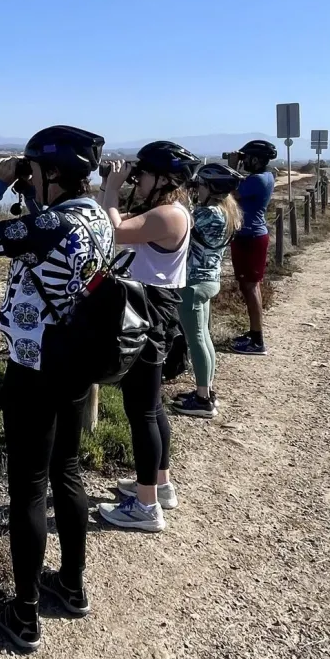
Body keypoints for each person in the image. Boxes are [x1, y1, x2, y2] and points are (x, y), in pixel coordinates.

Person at [0, 125, 113, 652]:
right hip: (75, 364)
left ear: (49, 172)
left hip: (34, 368)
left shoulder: (47, 225)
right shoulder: (96, 216)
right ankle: (71, 585)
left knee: (26, 488)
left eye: (32, 168)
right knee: (66, 473)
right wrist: (30, 188)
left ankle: (23, 615)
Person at [97, 141, 199, 532]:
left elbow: (115, 232)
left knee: (141, 412)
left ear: (165, 180)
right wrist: (114, 190)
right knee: (152, 407)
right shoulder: (166, 212)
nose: (136, 182)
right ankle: (160, 485)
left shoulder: (170, 215)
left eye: (142, 177)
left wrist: (110, 188)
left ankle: (145, 507)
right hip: (151, 315)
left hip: (148, 319)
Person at [172, 163, 243, 418]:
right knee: (204, 338)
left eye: (200, 185)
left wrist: (181, 197)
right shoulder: (228, 212)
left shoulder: (207, 214)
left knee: (197, 340)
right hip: (210, 280)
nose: (196, 189)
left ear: (211, 187)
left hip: (193, 284)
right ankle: (207, 390)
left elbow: (180, 223)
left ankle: (202, 399)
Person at [228, 139, 277, 356]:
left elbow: (230, 191)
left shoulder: (258, 179)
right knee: (247, 286)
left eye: (246, 157)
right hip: (247, 236)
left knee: (251, 287)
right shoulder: (262, 177)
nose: (244, 161)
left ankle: (257, 341)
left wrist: (231, 166)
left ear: (256, 159)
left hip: (252, 238)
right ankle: (253, 333)